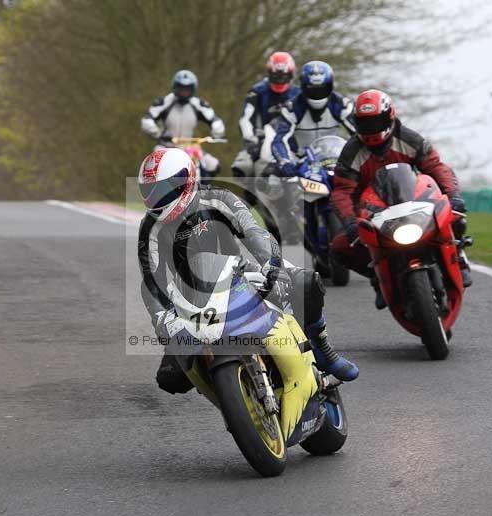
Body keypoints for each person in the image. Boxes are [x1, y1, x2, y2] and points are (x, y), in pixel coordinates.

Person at [137, 147, 358, 394]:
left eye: (164, 190)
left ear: (186, 180)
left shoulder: (218, 198)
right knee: (170, 379)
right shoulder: (150, 228)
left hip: (238, 273)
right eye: (151, 192)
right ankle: (227, 393)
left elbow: (253, 232)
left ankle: (322, 348)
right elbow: (151, 280)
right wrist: (163, 321)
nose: (158, 198)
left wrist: (271, 263)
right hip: (191, 298)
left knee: (305, 282)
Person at [330, 89, 472, 308]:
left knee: (455, 215)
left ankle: (459, 256)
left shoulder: (409, 138)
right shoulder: (351, 152)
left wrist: (453, 195)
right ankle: (377, 277)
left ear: (389, 116)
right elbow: (342, 190)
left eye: (376, 121)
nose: (371, 129)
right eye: (365, 123)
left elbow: (436, 167)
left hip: (412, 198)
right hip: (373, 208)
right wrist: (349, 222)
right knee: (340, 247)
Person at [269, 61, 355, 178]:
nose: (317, 94)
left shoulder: (341, 105)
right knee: (269, 175)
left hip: (334, 160)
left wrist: (355, 158)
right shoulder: (292, 108)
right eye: (312, 89)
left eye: (322, 89)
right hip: (299, 162)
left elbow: (359, 134)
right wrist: (285, 162)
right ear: (303, 87)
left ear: (330, 86)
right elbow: (279, 140)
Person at [141, 70, 226, 175]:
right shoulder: (164, 102)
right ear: (175, 87)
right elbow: (147, 120)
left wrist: (217, 132)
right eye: (181, 88)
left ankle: (203, 189)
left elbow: (215, 120)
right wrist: (157, 133)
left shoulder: (199, 104)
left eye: (187, 89)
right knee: (154, 167)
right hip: (166, 146)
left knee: (213, 165)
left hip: (189, 148)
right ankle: (155, 190)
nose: (184, 92)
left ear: (193, 89)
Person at [231, 52, 300, 178]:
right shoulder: (257, 91)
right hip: (265, 136)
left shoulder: (299, 93)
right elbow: (246, 118)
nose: (279, 79)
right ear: (269, 73)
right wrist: (251, 138)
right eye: (276, 76)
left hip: (292, 136)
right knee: (242, 167)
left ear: (290, 75)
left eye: (283, 76)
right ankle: (249, 196)